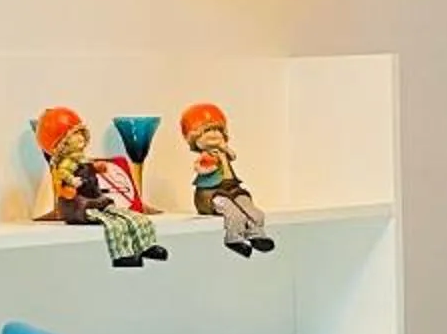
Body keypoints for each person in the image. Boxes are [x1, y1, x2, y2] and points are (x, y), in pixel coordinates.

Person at [35, 106, 165, 268]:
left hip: (96, 199)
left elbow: (88, 167)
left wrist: (97, 167)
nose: (80, 138)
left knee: (133, 216)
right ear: (63, 143)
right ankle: (122, 254)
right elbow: (63, 182)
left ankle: (146, 244)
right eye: (74, 135)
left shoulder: (81, 159)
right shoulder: (65, 165)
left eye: (81, 133)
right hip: (79, 207)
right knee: (114, 224)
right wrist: (71, 185)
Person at [179, 102, 274, 257]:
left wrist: (224, 148)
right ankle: (233, 238)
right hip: (211, 194)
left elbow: (233, 155)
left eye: (218, 130)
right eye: (207, 131)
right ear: (195, 137)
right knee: (234, 214)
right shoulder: (207, 156)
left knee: (253, 210)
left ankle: (256, 234)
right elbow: (201, 168)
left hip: (231, 188)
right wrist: (209, 163)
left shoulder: (223, 152)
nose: (214, 134)